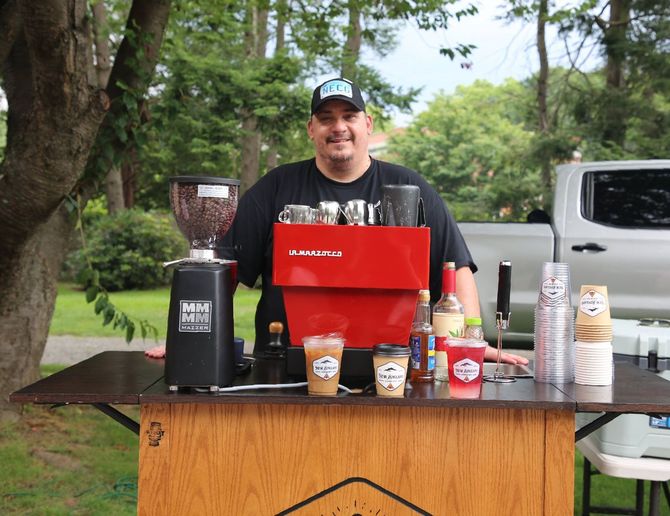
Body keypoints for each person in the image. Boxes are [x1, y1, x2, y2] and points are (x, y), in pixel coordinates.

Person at [147, 77, 527, 365]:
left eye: (349, 116)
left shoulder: (410, 187)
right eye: (326, 118)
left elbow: (455, 267)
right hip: (285, 365)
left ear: (368, 124)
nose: (338, 126)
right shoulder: (276, 187)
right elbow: (223, 265)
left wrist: (472, 343)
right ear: (312, 129)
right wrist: (190, 336)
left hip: (390, 365)